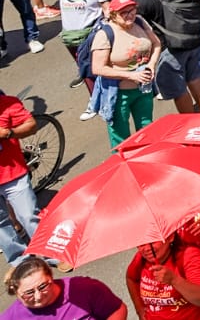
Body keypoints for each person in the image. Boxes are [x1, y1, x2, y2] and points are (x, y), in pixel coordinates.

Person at [90, 0, 162, 147]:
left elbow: (156, 44)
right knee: (120, 135)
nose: (130, 15)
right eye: (124, 12)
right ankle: (124, 164)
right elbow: (97, 68)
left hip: (143, 89)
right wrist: (130, 76)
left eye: (132, 10)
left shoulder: (140, 22)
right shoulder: (105, 34)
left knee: (147, 127)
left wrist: (151, 64)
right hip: (118, 93)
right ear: (113, 15)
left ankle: (148, 158)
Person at [125, 233, 200, 320]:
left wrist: (174, 280)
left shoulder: (190, 256)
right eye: (141, 244)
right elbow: (130, 278)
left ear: (170, 237)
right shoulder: (140, 259)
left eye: (152, 241)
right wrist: (140, 309)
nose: (147, 249)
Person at [3, 259, 125, 320]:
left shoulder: (84, 288)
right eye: (29, 293)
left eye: (43, 286)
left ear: (51, 276)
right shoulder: (12, 316)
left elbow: (117, 309)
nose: (38, 296)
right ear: (16, 292)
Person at [0, 89, 39, 265]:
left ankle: (49, 253)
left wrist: (8, 134)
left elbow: (31, 125)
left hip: (13, 175)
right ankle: (20, 262)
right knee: (2, 227)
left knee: (29, 216)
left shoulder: (7, 103)